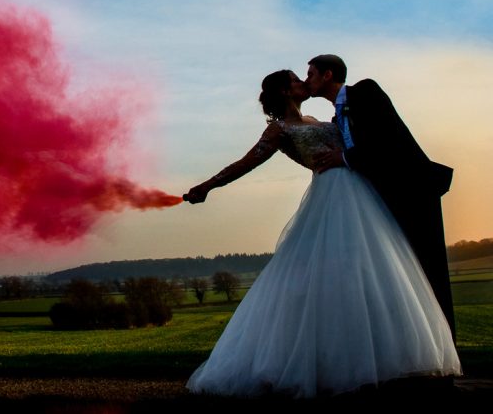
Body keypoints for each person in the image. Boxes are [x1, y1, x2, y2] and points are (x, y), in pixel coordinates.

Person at [183, 70, 459, 398]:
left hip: (360, 192)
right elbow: (246, 163)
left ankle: (374, 359)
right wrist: (208, 186)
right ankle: (326, 364)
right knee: (328, 279)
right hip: (331, 196)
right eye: (297, 79)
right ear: (286, 91)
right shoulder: (279, 130)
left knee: (371, 273)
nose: (304, 82)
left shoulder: (318, 118)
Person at [305, 54, 455, 338]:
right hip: (380, 202)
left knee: (429, 273)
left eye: (311, 73)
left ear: (328, 75)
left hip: (412, 192)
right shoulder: (337, 117)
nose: (306, 79)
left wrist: (344, 157)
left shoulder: (365, 92)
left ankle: (445, 359)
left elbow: (386, 139)